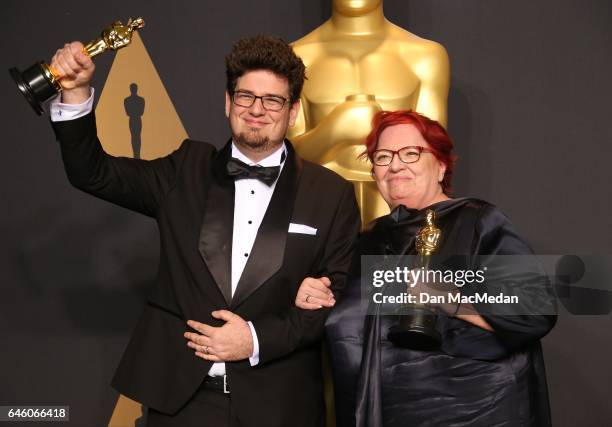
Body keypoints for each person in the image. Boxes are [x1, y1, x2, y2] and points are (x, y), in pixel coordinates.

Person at [48, 35, 360, 427]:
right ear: (228, 102)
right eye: (246, 96)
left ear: (293, 110)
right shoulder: (185, 170)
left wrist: (255, 339)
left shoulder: (331, 194)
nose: (257, 110)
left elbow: (336, 301)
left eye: (273, 100)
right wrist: (75, 92)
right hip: (183, 402)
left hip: (279, 405)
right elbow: (93, 174)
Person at [296, 110, 556, 426]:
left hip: (470, 416)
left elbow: (535, 307)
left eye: (411, 153)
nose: (394, 165)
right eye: (382, 156)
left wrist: (447, 296)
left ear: (441, 165)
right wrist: (316, 298)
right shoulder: (365, 241)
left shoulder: (474, 222)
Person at [289, 0, 450, 224]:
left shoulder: (425, 56)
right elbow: (284, 159)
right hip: (319, 214)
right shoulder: (297, 57)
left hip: (402, 219)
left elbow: (434, 153)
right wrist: (334, 131)